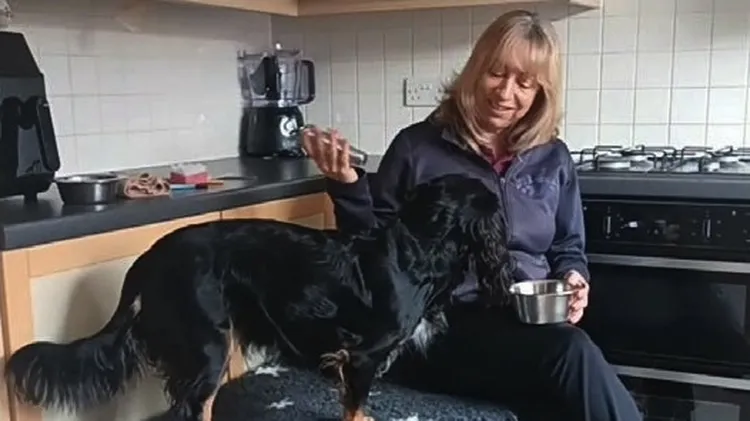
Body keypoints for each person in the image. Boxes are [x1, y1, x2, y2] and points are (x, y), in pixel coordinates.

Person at [302, 9, 642, 421]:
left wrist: (574, 276)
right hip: (436, 327)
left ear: (541, 92)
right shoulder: (417, 148)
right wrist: (348, 186)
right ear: (475, 70)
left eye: (525, 83)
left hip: (525, 324)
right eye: (496, 73)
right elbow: (369, 253)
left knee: (569, 377)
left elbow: (568, 245)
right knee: (572, 354)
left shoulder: (553, 157)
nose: (506, 93)